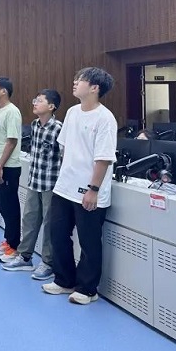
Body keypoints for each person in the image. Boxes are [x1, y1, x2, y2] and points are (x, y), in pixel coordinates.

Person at [42, 67, 117, 305]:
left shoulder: (105, 118)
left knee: (89, 241)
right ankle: (64, 280)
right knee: (57, 234)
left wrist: (93, 190)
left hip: (89, 191)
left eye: (80, 80)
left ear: (94, 88)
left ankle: (88, 289)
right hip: (64, 187)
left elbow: (103, 159)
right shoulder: (72, 112)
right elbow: (65, 147)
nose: (75, 82)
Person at [1, 90, 63, 280]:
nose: (35, 103)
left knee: (49, 224)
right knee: (29, 219)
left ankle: (47, 262)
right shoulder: (35, 125)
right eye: (35, 99)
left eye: (40, 100)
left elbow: (64, 157)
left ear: (51, 106)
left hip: (50, 184)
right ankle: (25, 257)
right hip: (34, 181)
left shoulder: (58, 128)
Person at [0, 77, 23, 260]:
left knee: (10, 207)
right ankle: (8, 240)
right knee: (2, 206)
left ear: (4, 91)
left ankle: (14, 246)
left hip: (7, 167)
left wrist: (0, 166)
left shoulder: (12, 112)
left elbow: (11, 141)